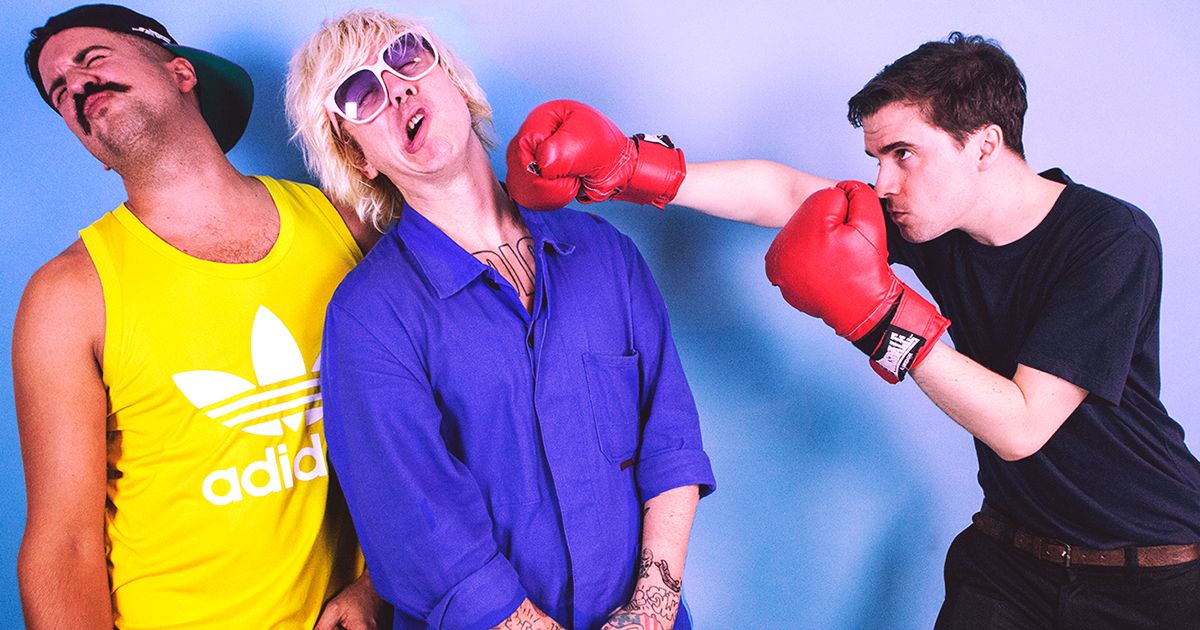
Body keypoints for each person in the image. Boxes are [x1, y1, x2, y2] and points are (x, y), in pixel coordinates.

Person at [505, 32, 1200, 629]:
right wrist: (631, 169)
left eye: (903, 154)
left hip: (1145, 569)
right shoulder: (937, 222)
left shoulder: (1109, 239)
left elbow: (1022, 426)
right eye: (876, 160)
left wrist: (884, 319)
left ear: (984, 145)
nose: (883, 182)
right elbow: (786, 194)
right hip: (1011, 558)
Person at [285, 9, 716, 629]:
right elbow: (426, 539)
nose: (396, 88)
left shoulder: (603, 252)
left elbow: (671, 441)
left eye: (406, 56)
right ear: (357, 157)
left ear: (456, 83)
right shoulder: (368, 319)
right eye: (361, 93)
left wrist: (649, 612)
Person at [15, 4, 384, 628]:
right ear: (91, 148)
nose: (75, 86)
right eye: (60, 93)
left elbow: (444, 417)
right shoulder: (67, 296)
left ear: (181, 72)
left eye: (91, 60)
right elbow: (64, 545)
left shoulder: (344, 225)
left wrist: (378, 585)